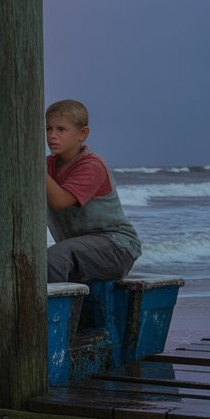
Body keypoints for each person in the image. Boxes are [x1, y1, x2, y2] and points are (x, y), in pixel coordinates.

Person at [44, 99, 141, 284]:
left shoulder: (92, 165)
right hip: (80, 249)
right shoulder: (48, 166)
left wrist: (34, 166)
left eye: (61, 129)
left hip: (116, 247)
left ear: (83, 133)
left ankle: (53, 313)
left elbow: (60, 201)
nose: (52, 136)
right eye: (48, 129)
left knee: (57, 256)